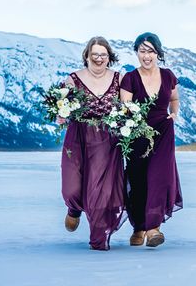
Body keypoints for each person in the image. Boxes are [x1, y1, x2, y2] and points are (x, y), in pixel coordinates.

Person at [60, 36, 125, 251]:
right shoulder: (73, 79)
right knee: (72, 188)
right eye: (94, 54)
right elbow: (62, 106)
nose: (99, 58)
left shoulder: (119, 79)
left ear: (109, 57)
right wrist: (60, 113)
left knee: (102, 191)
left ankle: (99, 237)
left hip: (107, 140)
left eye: (103, 55)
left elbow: (128, 107)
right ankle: (74, 209)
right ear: (87, 56)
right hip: (77, 137)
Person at [120, 32, 183, 248]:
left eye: (151, 51)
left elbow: (174, 98)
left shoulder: (168, 76)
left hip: (163, 132)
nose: (147, 56)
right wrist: (135, 123)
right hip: (137, 134)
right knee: (138, 181)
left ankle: (154, 228)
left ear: (158, 53)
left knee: (160, 177)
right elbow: (125, 109)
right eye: (142, 51)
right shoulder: (129, 78)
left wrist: (173, 114)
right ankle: (139, 227)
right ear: (137, 53)